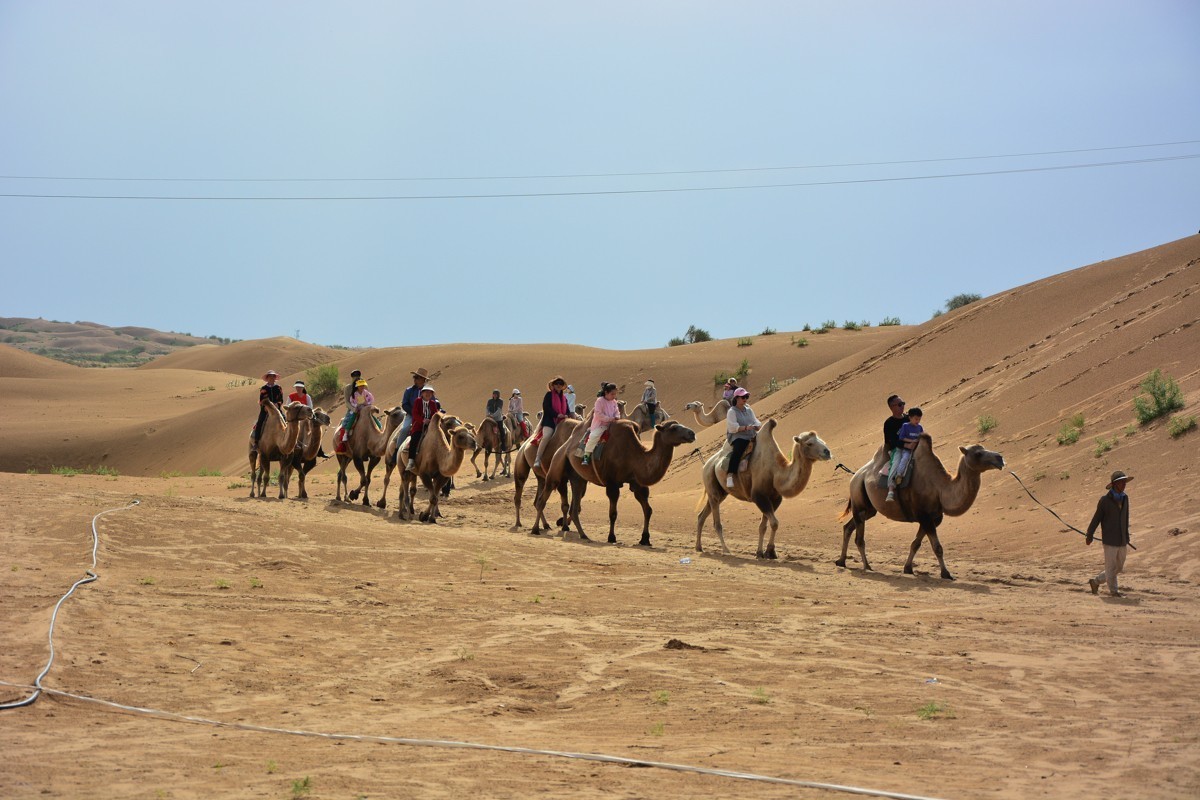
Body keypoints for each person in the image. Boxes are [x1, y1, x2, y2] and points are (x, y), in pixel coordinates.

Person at [1086, 471, 1133, 597]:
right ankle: (1114, 591)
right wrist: (1089, 534)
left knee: (1118, 567)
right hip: (1110, 539)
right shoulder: (1105, 501)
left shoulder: (1125, 498)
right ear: (1114, 484)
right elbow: (1096, 518)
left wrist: (1126, 536)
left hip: (1122, 539)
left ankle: (1095, 581)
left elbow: (1126, 518)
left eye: (1124, 482)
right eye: (1121, 482)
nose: (1124, 484)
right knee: (1111, 567)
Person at [724, 387, 760, 488]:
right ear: (736, 398)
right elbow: (732, 427)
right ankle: (730, 475)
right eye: (743, 397)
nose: (745, 399)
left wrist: (757, 425)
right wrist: (746, 427)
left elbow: (755, 420)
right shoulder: (732, 411)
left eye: (746, 396)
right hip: (738, 436)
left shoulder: (749, 409)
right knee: (739, 449)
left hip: (751, 434)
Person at [533, 376, 571, 469]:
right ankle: (538, 458)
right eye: (556, 383)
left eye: (560, 384)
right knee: (546, 436)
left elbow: (568, 410)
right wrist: (557, 415)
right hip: (550, 420)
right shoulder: (549, 395)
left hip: (562, 422)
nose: (558, 385)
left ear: (563, 386)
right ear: (553, 385)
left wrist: (566, 415)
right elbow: (546, 408)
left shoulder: (564, 398)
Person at [887, 406, 923, 502]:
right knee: (902, 460)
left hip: (916, 448)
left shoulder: (919, 427)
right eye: (916, 419)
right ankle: (893, 485)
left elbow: (921, 436)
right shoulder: (899, 425)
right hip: (902, 449)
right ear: (910, 418)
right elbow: (898, 439)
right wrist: (910, 443)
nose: (918, 421)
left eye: (919, 419)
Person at [581, 382, 622, 466]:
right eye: (612, 394)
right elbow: (598, 414)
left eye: (615, 394)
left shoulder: (614, 402)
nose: (614, 396)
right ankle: (586, 456)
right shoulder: (599, 401)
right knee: (593, 436)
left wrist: (617, 417)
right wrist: (610, 419)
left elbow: (617, 412)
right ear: (606, 393)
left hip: (613, 423)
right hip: (600, 425)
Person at [393, 367, 428, 459]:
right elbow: (404, 404)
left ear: (423, 380)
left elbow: (434, 401)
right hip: (410, 414)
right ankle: (396, 452)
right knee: (405, 429)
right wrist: (414, 413)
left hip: (425, 416)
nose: (415, 379)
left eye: (417, 378)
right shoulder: (409, 390)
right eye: (414, 377)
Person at [406, 384, 441, 470]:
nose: (428, 394)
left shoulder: (433, 403)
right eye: (426, 392)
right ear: (422, 393)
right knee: (415, 439)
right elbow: (415, 413)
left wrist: (432, 420)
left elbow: (435, 414)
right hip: (418, 425)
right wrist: (423, 420)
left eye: (430, 392)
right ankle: (411, 461)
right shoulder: (417, 401)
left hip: (430, 426)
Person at [253, 370, 285, 446]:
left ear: (275, 378)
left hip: (277, 409)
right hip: (266, 410)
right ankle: (256, 442)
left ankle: (288, 440)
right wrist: (266, 407)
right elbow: (261, 401)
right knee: (260, 422)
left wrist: (278, 404)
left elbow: (281, 399)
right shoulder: (263, 388)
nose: (271, 378)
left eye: (273, 376)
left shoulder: (278, 388)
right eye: (270, 376)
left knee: (285, 420)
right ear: (267, 378)